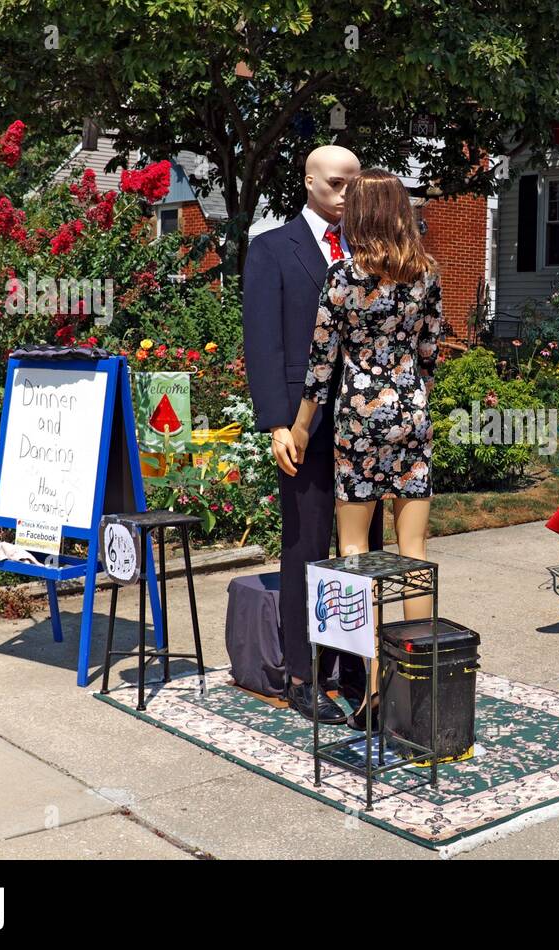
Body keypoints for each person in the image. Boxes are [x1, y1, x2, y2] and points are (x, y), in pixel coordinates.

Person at [282, 167, 443, 730]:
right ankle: (416, 688)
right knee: (413, 552)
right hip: (411, 414)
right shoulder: (425, 275)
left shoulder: (341, 278)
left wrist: (300, 427)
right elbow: (430, 354)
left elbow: (320, 366)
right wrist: (410, 394)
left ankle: (373, 688)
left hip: (357, 419)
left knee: (355, 554)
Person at [241, 145, 384, 724]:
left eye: (356, 184)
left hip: (367, 424)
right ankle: (303, 673)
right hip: (304, 424)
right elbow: (264, 343)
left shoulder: (374, 251)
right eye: (336, 184)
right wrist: (277, 421)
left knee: (364, 549)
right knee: (305, 545)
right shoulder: (272, 250)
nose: (348, 195)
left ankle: (357, 667)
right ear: (307, 183)